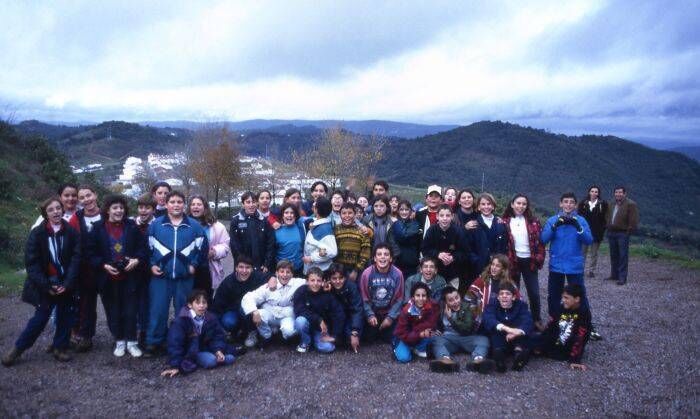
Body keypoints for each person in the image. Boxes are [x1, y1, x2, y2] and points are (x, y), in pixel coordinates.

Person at [2, 197, 81, 366]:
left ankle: (60, 348)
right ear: (45, 213)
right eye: (51, 209)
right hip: (46, 284)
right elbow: (32, 263)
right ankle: (18, 349)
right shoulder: (37, 234)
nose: (55, 212)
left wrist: (67, 283)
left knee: (65, 317)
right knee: (40, 318)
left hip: (65, 283)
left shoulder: (71, 232)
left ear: (62, 210)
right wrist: (46, 285)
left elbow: (76, 259)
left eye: (58, 208)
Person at [145, 191, 208, 356]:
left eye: (179, 202)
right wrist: (152, 265)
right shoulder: (155, 225)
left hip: (184, 277)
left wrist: (194, 265)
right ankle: (154, 341)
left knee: (184, 311)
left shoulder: (194, 226)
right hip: (161, 277)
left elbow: (202, 249)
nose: (176, 205)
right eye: (172, 202)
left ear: (184, 205)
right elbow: (147, 250)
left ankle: (183, 341)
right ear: (166, 204)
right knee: (158, 310)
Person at [87, 195, 147, 357]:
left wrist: (137, 260)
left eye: (121, 207)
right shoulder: (98, 228)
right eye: (115, 208)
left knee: (130, 310)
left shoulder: (132, 226)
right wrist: (103, 265)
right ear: (108, 210)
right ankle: (119, 341)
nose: (119, 211)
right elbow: (90, 253)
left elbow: (143, 248)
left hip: (130, 276)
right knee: (113, 310)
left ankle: (132, 342)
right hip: (108, 278)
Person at [541, 192, 600, 340]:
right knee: (554, 295)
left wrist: (578, 227)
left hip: (574, 265)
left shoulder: (581, 220)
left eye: (571, 202)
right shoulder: (552, 220)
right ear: (560, 204)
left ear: (575, 205)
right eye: (565, 201)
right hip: (556, 264)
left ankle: (587, 325)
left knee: (580, 296)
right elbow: (543, 239)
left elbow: (589, 240)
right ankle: (555, 321)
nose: (568, 204)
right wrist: (554, 226)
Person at [161, 290, 235, 377]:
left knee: (231, 357)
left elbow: (218, 335)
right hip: (190, 351)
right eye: (197, 303)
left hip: (205, 347)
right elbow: (175, 343)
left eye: (204, 302)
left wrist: (218, 350)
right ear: (190, 305)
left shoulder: (211, 317)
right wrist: (175, 365)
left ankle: (219, 356)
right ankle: (207, 359)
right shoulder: (181, 320)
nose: (201, 306)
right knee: (211, 361)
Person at [502, 194, 546, 327]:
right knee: (513, 291)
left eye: (524, 204)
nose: (521, 206)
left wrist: (539, 258)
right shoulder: (504, 221)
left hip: (529, 260)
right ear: (512, 204)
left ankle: (536, 319)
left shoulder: (533, 221)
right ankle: (513, 318)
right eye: (518, 203)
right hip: (513, 261)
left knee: (534, 292)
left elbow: (540, 242)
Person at [429, 286, 494, 374]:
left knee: (484, 340)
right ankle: (445, 360)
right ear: (445, 302)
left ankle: (478, 360)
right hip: (449, 339)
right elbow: (433, 321)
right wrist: (435, 329)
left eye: (457, 298)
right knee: (435, 340)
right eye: (451, 300)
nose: (455, 302)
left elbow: (466, 328)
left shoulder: (468, 307)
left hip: (466, 338)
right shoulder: (441, 309)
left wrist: (450, 318)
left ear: (460, 296)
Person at [241, 260, 305, 347]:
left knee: (289, 331)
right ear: (276, 273)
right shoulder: (268, 286)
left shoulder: (298, 283)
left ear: (292, 274)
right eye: (282, 271)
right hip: (271, 315)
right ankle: (267, 336)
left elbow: (311, 282)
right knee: (259, 314)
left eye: (288, 272)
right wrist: (254, 312)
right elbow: (248, 297)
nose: (285, 275)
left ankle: (282, 336)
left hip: (287, 316)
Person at [71, 185, 103, 352]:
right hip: (85, 270)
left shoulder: (107, 213)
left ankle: (120, 336)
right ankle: (86, 336)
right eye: (82, 198)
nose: (86, 200)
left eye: (88, 195)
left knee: (113, 303)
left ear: (95, 195)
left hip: (106, 268)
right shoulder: (76, 218)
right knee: (86, 305)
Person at [211, 256, 269, 344]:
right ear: (236, 268)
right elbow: (218, 304)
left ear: (252, 269)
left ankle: (252, 332)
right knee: (228, 321)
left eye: (247, 267)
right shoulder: (228, 282)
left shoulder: (257, 276)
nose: (244, 271)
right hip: (234, 311)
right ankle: (236, 331)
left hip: (252, 311)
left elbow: (270, 276)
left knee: (246, 308)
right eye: (241, 267)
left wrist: (272, 278)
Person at [533, 284, 591, 371]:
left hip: (568, 347)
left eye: (566, 298)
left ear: (577, 299)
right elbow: (551, 326)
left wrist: (575, 359)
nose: (563, 300)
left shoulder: (583, 313)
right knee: (531, 340)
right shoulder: (562, 307)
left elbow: (581, 336)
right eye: (563, 297)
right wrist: (540, 342)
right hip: (556, 341)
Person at [482, 282, 533, 372]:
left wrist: (517, 332)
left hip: (516, 336)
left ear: (513, 297)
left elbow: (528, 320)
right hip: (500, 335)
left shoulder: (521, 305)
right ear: (498, 297)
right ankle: (500, 360)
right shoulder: (493, 305)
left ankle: (518, 357)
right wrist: (507, 329)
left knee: (524, 336)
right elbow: (488, 318)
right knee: (495, 335)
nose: (504, 296)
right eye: (501, 294)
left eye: (507, 294)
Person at [292, 267, 345, 353]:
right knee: (300, 321)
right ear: (307, 281)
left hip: (320, 329)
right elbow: (299, 310)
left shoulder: (327, 294)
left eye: (319, 280)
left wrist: (335, 336)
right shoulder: (301, 291)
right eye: (312, 280)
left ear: (323, 281)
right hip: (307, 324)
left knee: (328, 348)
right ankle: (305, 342)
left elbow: (338, 313)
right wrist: (318, 319)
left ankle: (315, 340)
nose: (315, 283)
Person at [359, 245, 405, 343]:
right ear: (375, 258)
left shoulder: (398, 274)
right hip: (373, 312)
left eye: (386, 254)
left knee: (392, 338)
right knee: (368, 339)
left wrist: (390, 317)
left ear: (391, 258)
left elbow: (399, 299)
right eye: (379, 254)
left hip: (389, 312)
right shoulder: (366, 274)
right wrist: (370, 315)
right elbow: (364, 297)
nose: (383, 257)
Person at [188, 195, 230, 299]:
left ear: (205, 207)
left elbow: (225, 246)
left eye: (199, 204)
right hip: (188, 268)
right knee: (188, 299)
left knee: (205, 299)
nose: (195, 206)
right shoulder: (183, 224)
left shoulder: (217, 226)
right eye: (193, 204)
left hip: (207, 268)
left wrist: (214, 252)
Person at [466, 254, 520, 332]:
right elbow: (468, 298)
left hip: (503, 320)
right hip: (483, 320)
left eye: (497, 266)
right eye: (493, 264)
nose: (493, 268)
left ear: (503, 269)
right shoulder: (482, 280)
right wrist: (475, 313)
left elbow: (519, 301)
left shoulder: (509, 283)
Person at [420, 204, 466, 289]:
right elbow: (425, 249)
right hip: (435, 272)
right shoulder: (432, 230)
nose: (445, 218)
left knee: (451, 294)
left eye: (448, 215)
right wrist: (438, 254)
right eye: (442, 215)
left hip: (453, 273)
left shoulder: (458, 231)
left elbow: (464, 252)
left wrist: (453, 257)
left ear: (452, 216)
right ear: (437, 216)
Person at [229, 191, 276, 273]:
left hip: (262, 267)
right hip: (244, 269)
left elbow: (270, 244)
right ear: (243, 204)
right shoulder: (236, 221)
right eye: (248, 202)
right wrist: (242, 265)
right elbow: (234, 245)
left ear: (257, 203)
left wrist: (267, 263)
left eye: (253, 202)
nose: (251, 205)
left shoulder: (264, 221)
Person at [393, 282, 439, 363]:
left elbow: (431, 323)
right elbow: (403, 333)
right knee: (404, 358)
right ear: (413, 297)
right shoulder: (406, 311)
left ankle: (418, 348)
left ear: (427, 297)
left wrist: (432, 330)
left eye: (423, 296)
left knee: (434, 336)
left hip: (418, 334)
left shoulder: (431, 306)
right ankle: (397, 347)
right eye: (417, 295)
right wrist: (420, 333)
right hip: (404, 338)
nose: (421, 298)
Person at [133, 193, 156, 345]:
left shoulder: (158, 225)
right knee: (137, 302)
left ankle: (149, 332)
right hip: (135, 270)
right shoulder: (131, 224)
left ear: (153, 209)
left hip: (152, 270)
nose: (143, 211)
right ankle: (137, 331)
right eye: (140, 207)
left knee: (151, 302)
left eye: (147, 208)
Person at [326, 264, 363, 353]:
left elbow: (357, 310)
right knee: (336, 341)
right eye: (334, 278)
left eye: (341, 278)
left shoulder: (352, 287)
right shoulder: (327, 288)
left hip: (350, 317)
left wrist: (355, 332)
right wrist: (324, 293)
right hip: (335, 319)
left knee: (349, 339)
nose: (338, 281)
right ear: (329, 279)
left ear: (345, 278)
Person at [468, 193, 508, 276]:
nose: (486, 207)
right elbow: (469, 247)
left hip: (498, 266)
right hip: (479, 267)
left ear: (493, 206)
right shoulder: (473, 224)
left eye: (489, 204)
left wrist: (502, 261)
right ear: (478, 207)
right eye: (483, 204)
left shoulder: (500, 224)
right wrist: (476, 261)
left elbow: (504, 246)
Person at [606, 186, 639, 286]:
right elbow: (607, 216)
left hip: (622, 233)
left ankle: (622, 277)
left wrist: (628, 232)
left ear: (625, 194)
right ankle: (614, 274)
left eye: (620, 192)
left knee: (622, 255)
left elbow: (633, 220)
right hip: (611, 232)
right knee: (613, 254)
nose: (618, 194)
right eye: (616, 192)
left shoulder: (631, 204)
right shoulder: (611, 203)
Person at [334, 203, 371, 280]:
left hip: (356, 269)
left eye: (350, 213)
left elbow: (365, 252)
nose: (347, 216)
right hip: (339, 269)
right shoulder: (335, 229)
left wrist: (356, 270)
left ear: (354, 214)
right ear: (340, 215)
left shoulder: (362, 230)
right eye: (344, 213)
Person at [577, 185, 608, 278]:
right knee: (582, 252)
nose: (594, 193)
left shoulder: (603, 204)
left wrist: (602, 230)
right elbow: (579, 217)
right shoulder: (583, 203)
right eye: (592, 191)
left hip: (597, 232)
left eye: (596, 192)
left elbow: (605, 218)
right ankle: (580, 270)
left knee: (594, 253)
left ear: (598, 193)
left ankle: (592, 270)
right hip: (584, 232)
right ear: (589, 192)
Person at [303, 197, 337, 273]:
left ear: (316, 209)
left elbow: (332, 251)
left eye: (314, 204)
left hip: (321, 271)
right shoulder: (316, 224)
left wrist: (312, 258)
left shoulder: (325, 229)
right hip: (313, 270)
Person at [274, 202, 307, 276]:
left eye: (292, 213)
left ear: (295, 215)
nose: (289, 215)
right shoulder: (276, 230)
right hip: (282, 271)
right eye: (286, 213)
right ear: (282, 215)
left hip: (299, 269)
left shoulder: (301, 228)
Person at [392, 200, 421, 278]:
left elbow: (403, 237)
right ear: (398, 211)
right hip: (397, 261)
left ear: (410, 211)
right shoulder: (395, 224)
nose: (404, 212)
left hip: (411, 262)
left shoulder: (415, 224)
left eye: (406, 209)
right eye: (401, 210)